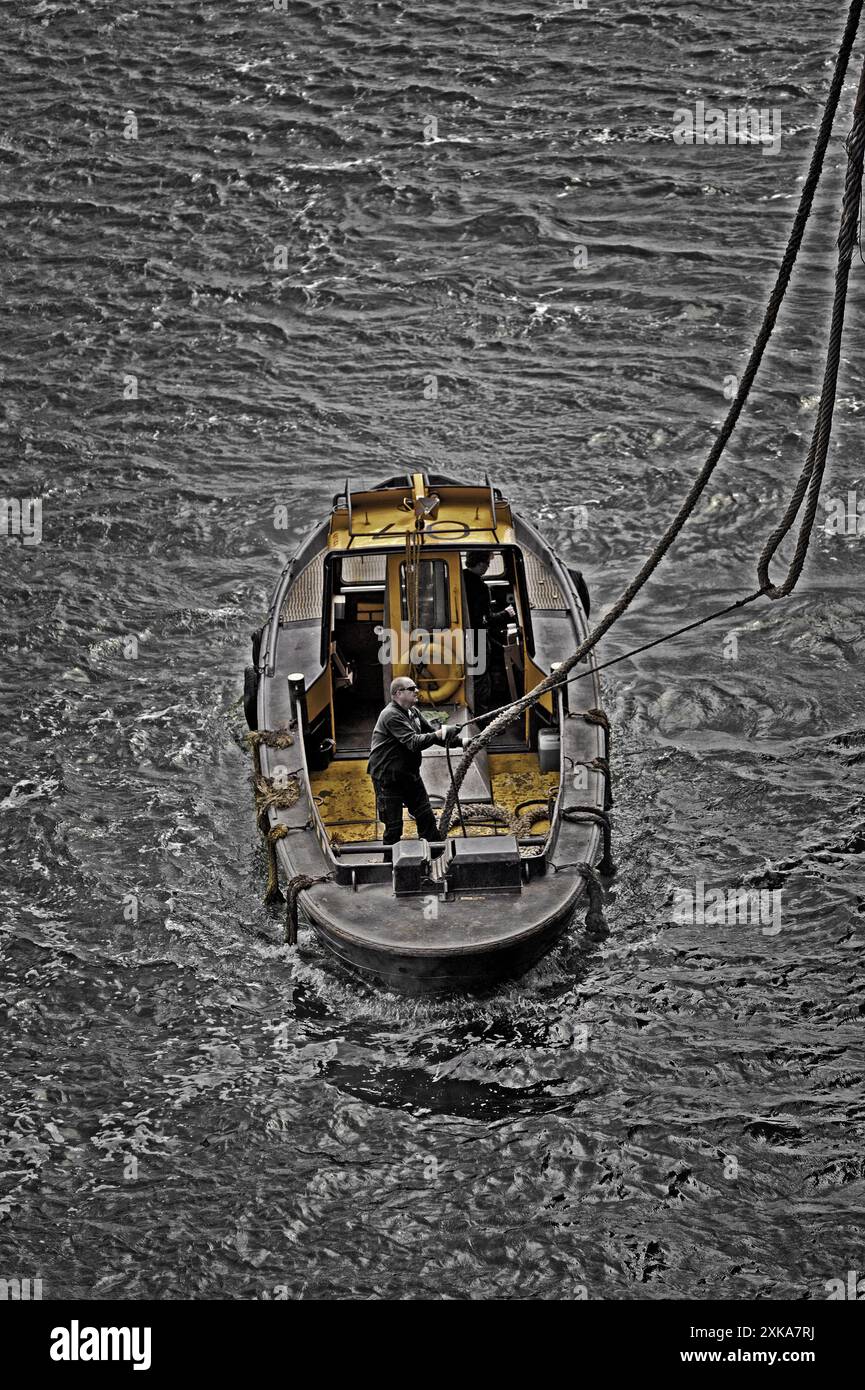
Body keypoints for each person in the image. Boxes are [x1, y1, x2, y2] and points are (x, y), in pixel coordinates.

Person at [367, 677, 459, 846]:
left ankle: (435, 856)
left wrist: (463, 742)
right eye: (412, 688)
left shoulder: (413, 712)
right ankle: (390, 866)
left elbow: (431, 734)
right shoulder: (390, 715)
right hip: (387, 779)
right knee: (394, 828)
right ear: (398, 693)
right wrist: (442, 733)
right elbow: (413, 743)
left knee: (426, 816)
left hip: (409, 774)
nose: (417, 690)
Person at [462, 551, 515, 714]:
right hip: (476, 637)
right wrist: (507, 613)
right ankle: (482, 716)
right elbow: (486, 619)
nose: (488, 566)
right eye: (487, 563)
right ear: (480, 564)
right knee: (481, 678)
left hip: (462, 635)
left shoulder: (459, 578)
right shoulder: (480, 587)